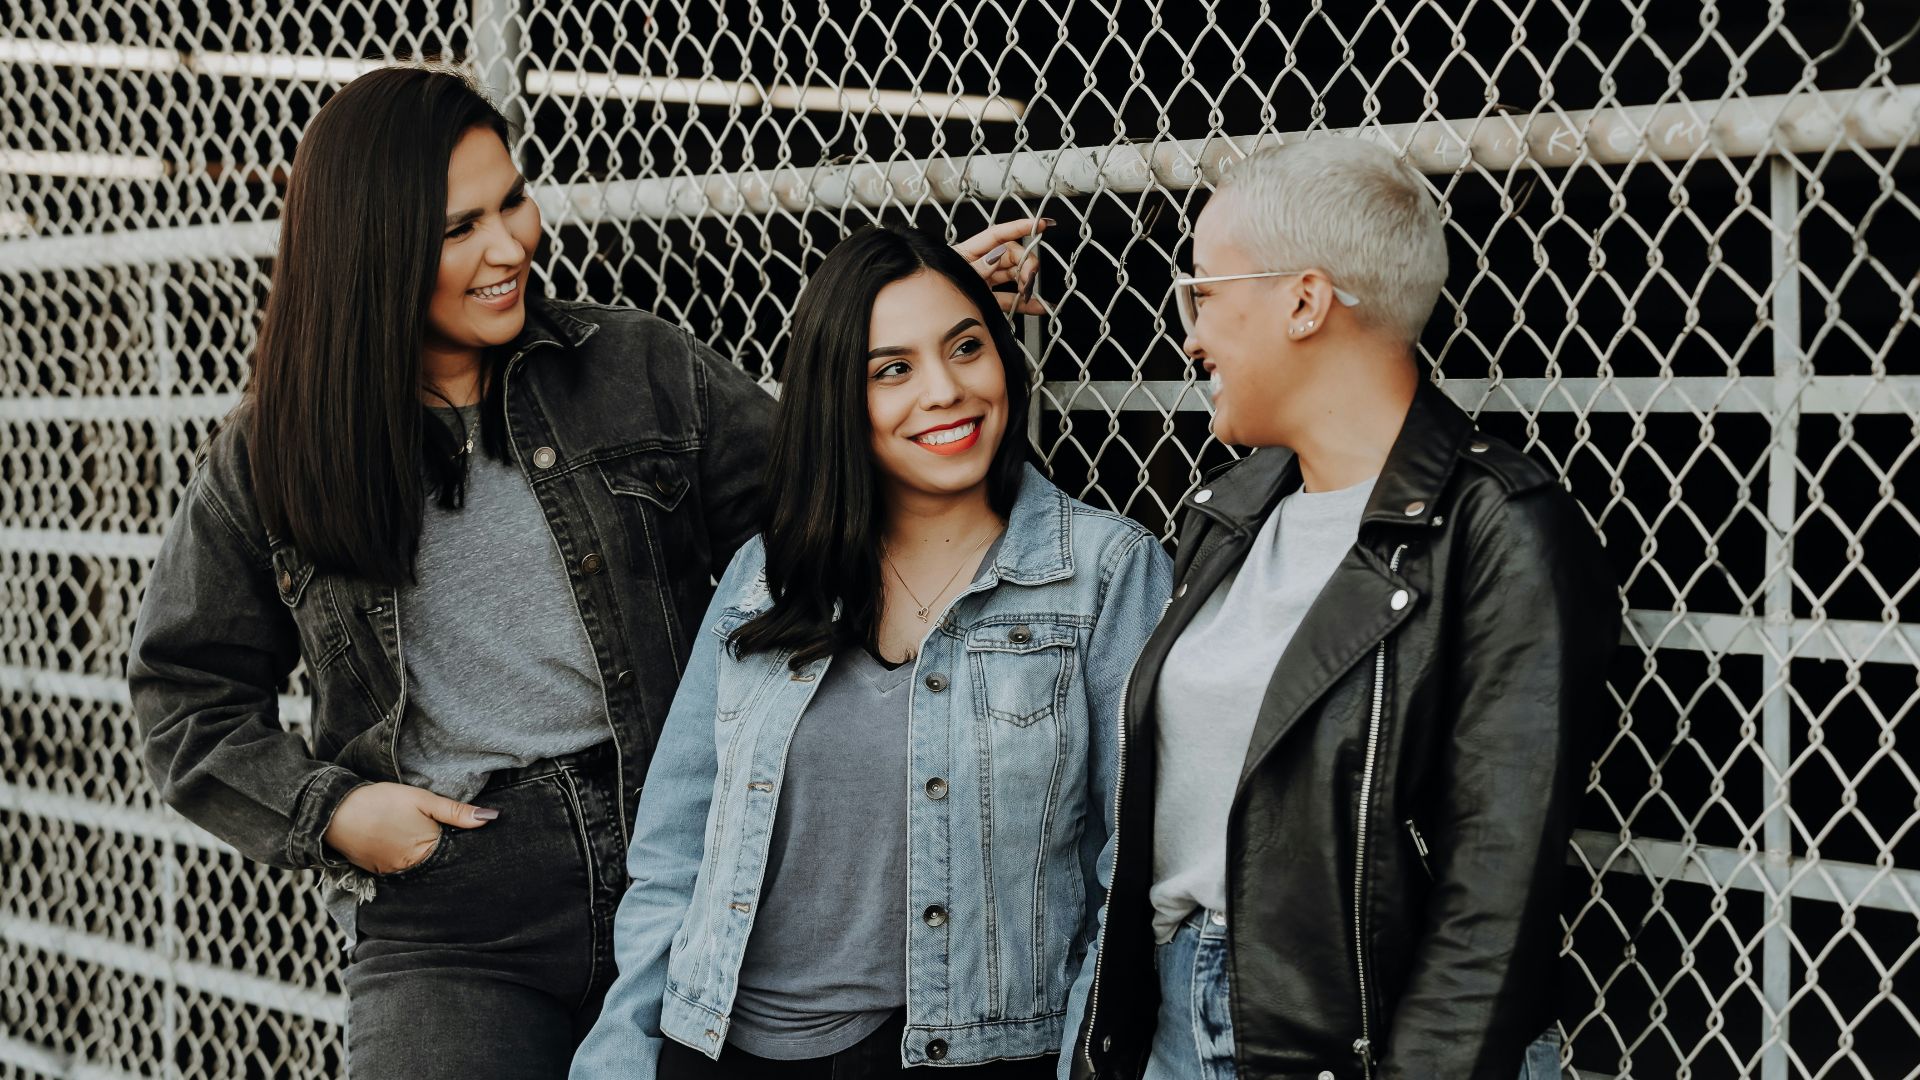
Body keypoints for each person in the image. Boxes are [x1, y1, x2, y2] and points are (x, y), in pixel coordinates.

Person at [126, 65, 1048, 1079]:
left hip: (687, 874)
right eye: (459, 228)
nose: (512, 244)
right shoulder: (276, 452)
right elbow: (185, 696)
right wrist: (337, 813)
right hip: (460, 914)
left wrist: (908, 335)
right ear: (370, 250)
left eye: (513, 201)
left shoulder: (632, 368)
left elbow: (821, 501)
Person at [1066, 138, 1619, 1080]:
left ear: (1304, 301)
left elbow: (1494, 899)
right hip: (1173, 1015)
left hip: (1347, 1043)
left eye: (1204, 292)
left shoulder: (1501, 529)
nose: (1190, 334)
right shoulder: (1229, 513)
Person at [570, 222, 1172, 1080]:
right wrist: (618, 1058)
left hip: (968, 1051)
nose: (944, 391)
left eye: (966, 347)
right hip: (715, 1049)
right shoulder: (768, 575)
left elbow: (1136, 868)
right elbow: (675, 851)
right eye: (891, 369)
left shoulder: (1106, 574)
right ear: (836, 400)